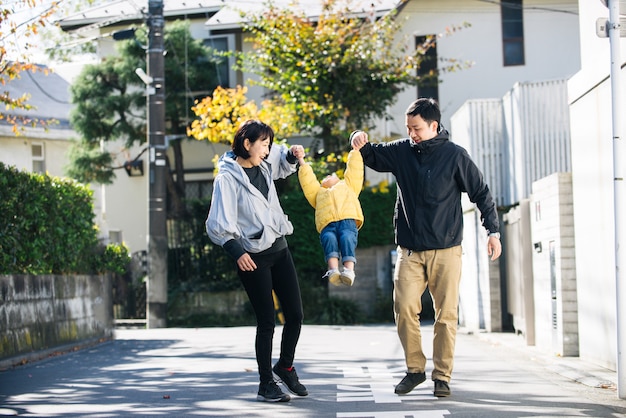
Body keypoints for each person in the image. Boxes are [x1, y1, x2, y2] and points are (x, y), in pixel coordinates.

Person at [351, 98, 502, 398]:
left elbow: (481, 193)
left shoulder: (455, 156)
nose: (412, 134)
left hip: (447, 250)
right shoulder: (401, 152)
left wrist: (493, 231)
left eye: (416, 128)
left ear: (434, 126)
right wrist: (357, 138)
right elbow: (371, 155)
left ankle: (442, 377)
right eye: (408, 128)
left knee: (446, 316)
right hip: (409, 250)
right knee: (404, 307)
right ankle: (415, 370)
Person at [206, 120, 308, 403]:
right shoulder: (226, 179)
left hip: (280, 249)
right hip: (253, 258)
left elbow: (283, 159)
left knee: (296, 316)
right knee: (266, 322)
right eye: (263, 144)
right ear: (247, 143)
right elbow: (218, 222)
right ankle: (266, 383)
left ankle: (285, 367)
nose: (267, 149)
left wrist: (292, 154)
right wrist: (236, 252)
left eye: (268, 144)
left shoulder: (263, 163)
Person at [296, 139, 365, 286]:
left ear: (338, 180)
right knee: (328, 239)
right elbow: (308, 182)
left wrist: (356, 151)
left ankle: (348, 271)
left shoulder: (348, 186)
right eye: (324, 178)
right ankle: (333, 270)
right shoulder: (318, 193)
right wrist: (301, 161)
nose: (327, 176)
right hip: (327, 224)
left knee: (347, 238)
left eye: (331, 176)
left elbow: (355, 171)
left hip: (348, 222)